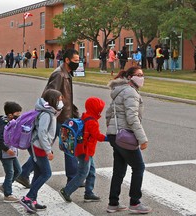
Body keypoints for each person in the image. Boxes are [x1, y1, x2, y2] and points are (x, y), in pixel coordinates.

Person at [105, 67, 152, 214]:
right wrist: (142, 139)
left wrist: (112, 130)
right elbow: (132, 117)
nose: (141, 78)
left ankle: (113, 203)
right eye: (138, 75)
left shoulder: (119, 91)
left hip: (115, 135)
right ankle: (135, 202)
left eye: (142, 75)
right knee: (139, 167)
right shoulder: (130, 92)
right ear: (130, 77)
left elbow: (108, 113)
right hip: (124, 136)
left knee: (119, 170)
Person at [20, 89, 63, 213]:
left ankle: (32, 200)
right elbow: (42, 133)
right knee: (46, 173)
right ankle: (28, 197)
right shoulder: (46, 114)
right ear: (53, 100)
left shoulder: (50, 112)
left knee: (38, 173)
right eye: (59, 99)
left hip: (38, 146)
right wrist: (48, 151)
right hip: (38, 147)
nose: (61, 102)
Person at [59, 97, 107, 203]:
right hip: (86, 151)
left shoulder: (85, 116)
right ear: (95, 109)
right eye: (99, 108)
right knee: (82, 173)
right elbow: (97, 136)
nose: (101, 111)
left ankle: (89, 193)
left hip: (82, 149)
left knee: (91, 171)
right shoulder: (92, 122)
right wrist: (109, 138)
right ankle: (66, 190)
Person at [42, 48, 80, 184]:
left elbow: (66, 97)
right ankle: (73, 178)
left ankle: (73, 177)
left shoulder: (67, 74)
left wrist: (73, 111)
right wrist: (55, 112)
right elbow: (49, 94)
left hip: (64, 117)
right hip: (58, 118)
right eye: (75, 61)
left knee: (66, 148)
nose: (78, 63)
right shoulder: (59, 75)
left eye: (79, 60)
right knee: (63, 147)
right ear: (67, 60)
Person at [0, 101, 22, 203]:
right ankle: (8, 194)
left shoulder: (13, 122)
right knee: (10, 172)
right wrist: (7, 149)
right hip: (5, 153)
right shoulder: (3, 124)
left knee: (18, 171)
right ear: (10, 115)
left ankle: (5, 186)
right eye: (17, 114)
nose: (19, 116)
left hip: (13, 152)